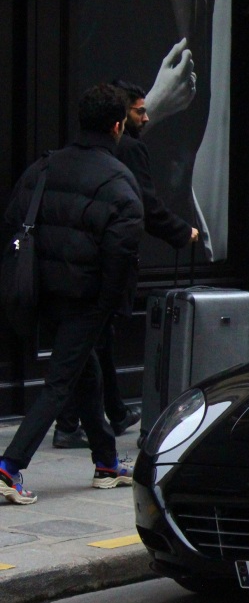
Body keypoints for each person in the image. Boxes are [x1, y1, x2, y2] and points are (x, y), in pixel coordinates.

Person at [0, 84, 144, 505]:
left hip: (43, 291)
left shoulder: (44, 167)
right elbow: (122, 250)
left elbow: (13, 220)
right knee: (61, 380)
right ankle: (10, 466)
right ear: (118, 126)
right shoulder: (119, 180)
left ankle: (105, 462)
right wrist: (113, 306)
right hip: (88, 298)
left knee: (86, 371)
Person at [52, 80, 199, 449]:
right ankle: (72, 426)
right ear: (119, 120)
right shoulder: (127, 152)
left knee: (93, 345)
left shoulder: (71, 156)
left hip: (74, 262)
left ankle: (107, 416)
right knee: (90, 346)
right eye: (138, 111)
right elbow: (143, 207)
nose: (146, 118)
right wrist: (182, 233)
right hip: (102, 264)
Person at [78, 0, 215, 262]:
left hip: (176, 229)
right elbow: (85, 135)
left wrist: (195, 217)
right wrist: (153, 106)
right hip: (119, 221)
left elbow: (180, 144)